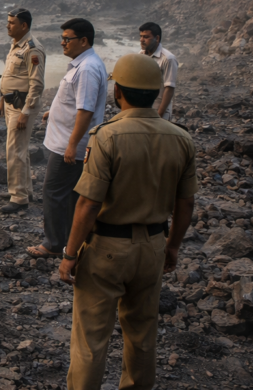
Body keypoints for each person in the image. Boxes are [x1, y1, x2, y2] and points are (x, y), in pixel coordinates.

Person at [58, 53, 196, 390]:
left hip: (107, 248)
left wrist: (70, 253)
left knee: (91, 337)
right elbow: (186, 202)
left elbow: (88, 204)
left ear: (117, 91)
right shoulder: (181, 138)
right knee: (142, 333)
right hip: (152, 246)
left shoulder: (107, 136)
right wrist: (173, 246)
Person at [27, 18, 107, 258]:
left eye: (67, 39)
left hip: (68, 147)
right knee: (71, 194)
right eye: (61, 39)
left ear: (83, 41)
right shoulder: (81, 64)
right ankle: (71, 240)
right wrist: (55, 110)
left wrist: (72, 145)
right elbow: (76, 101)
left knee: (53, 191)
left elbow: (86, 110)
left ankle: (53, 243)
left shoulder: (87, 68)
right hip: (67, 143)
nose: (62, 43)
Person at [0, 8, 46, 214]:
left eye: (12, 22)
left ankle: (19, 198)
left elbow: (37, 84)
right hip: (10, 103)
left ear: (24, 25)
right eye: (8, 22)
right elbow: (9, 76)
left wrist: (26, 112)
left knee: (15, 150)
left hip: (21, 106)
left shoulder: (32, 49)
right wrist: (1, 100)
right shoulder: (16, 45)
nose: (8, 26)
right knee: (18, 149)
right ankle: (23, 189)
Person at [138, 22, 179, 120]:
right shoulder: (141, 55)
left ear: (157, 38)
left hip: (159, 111)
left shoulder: (168, 59)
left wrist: (159, 115)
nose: (141, 40)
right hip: (143, 109)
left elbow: (169, 89)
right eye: (141, 36)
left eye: (146, 37)